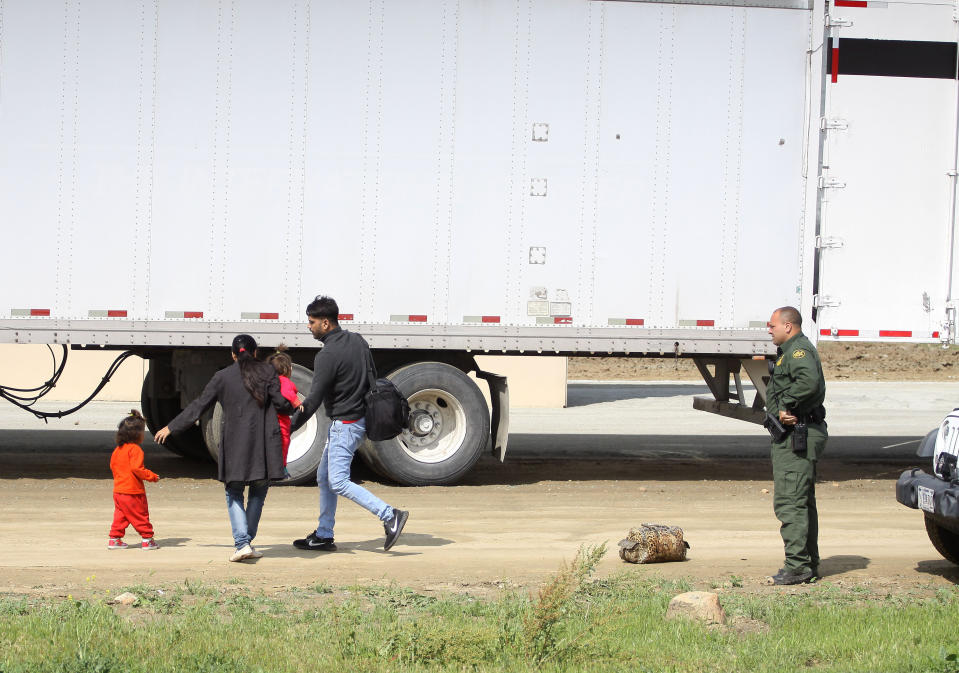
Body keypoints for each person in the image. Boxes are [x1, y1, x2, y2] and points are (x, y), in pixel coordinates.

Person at [154, 334, 296, 562]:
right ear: (256, 353)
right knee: (259, 492)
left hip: (236, 446)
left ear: (232, 355)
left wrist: (172, 427)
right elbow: (280, 403)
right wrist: (294, 406)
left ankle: (243, 543)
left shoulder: (222, 377)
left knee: (234, 492)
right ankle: (246, 542)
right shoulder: (268, 372)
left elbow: (199, 405)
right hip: (263, 446)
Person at [290, 295, 408, 552]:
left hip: (346, 424)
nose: (308, 327)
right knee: (324, 477)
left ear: (325, 323)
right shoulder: (358, 340)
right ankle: (323, 534)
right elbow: (371, 377)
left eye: (311, 322)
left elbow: (313, 400)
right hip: (358, 419)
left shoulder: (327, 355)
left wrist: (287, 428)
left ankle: (390, 515)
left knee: (339, 481)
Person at [765, 306, 827, 585]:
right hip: (796, 434)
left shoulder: (798, 351)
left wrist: (788, 404)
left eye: (772, 325)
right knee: (801, 501)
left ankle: (798, 566)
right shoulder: (791, 351)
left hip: (797, 436)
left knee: (790, 500)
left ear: (788, 326)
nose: (769, 329)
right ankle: (806, 563)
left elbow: (809, 382)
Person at [108, 409, 160, 550]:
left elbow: (113, 466)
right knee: (140, 515)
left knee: (121, 516)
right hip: (133, 491)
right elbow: (137, 469)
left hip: (118, 491)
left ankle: (115, 539)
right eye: (143, 431)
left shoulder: (118, 449)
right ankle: (147, 539)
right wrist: (152, 477)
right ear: (137, 434)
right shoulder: (135, 450)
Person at [267, 345, 298, 472]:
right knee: (284, 442)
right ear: (287, 369)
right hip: (281, 420)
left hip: (269, 419)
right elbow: (287, 394)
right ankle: (282, 467)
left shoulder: (268, 380)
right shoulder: (285, 381)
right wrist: (297, 403)